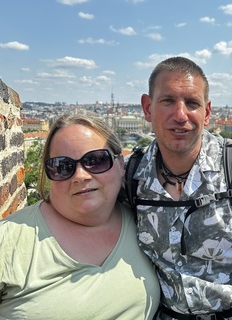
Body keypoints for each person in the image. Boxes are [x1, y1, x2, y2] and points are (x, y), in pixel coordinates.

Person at [131, 56, 232, 319]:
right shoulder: (132, 176)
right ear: (147, 107)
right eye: (168, 101)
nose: (180, 115)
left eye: (192, 103)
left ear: (207, 113)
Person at [0, 114, 161, 319]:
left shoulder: (147, 225)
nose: (80, 176)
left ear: (121, 164)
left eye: (95, 161)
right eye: (62, 166)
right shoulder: (7, 240)